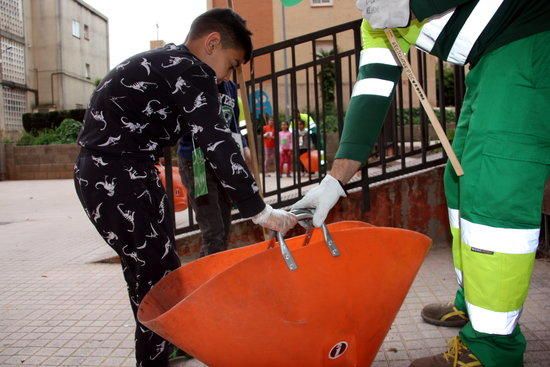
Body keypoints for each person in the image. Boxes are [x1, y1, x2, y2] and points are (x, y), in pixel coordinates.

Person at [292, 1, 550, 366]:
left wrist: (414, 4)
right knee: (461, 182)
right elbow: (372, 92)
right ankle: (474, 303)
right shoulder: (376, 19)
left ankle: (493, 348)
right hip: (491, 59)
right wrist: (334, 182)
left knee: (492, 196)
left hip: (530, 39)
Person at [73, 8, 297, 367]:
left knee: (157, 274)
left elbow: (211, 138)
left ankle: (166, 348)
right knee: (155, 278)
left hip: (128, 170)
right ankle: (157, 357)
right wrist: (261, 211)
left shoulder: (171, 65)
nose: (229, 75)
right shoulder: (191, 70)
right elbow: (217, 142)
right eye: (232, 63)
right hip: (114, 172)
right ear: (212, 44)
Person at [177, 80, 245, 257]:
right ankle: (210, 280)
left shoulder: (230, 86)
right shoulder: (196, 80)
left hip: (222, 160)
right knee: (213, 230)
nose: (230, 72)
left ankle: (208, 273)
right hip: (196, 160)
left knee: (223, 226)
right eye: (230, 64)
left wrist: (243, 146)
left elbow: (234, 123)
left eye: (234, 67)